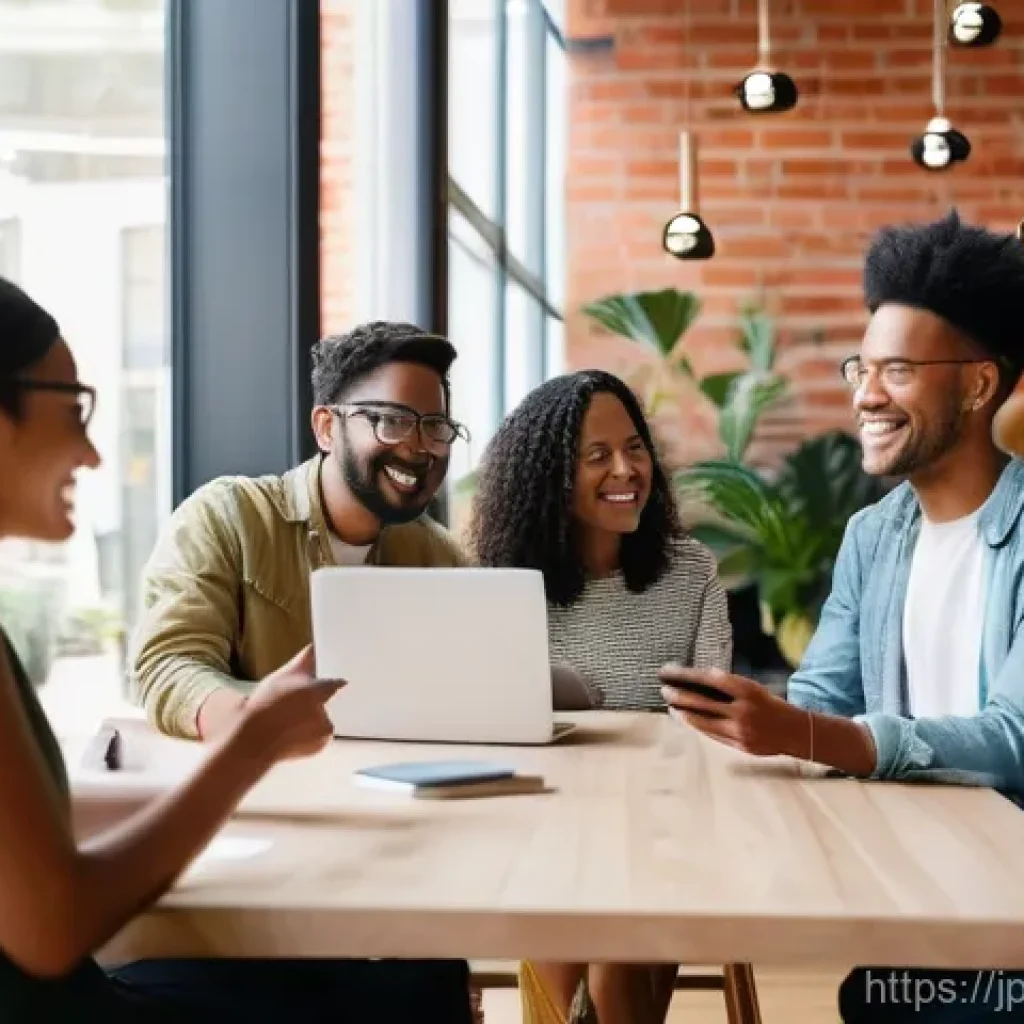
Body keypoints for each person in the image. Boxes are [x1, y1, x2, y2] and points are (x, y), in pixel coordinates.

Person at [0, 274, 406, 1021]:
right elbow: (52, 930)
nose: (91, 453)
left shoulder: (429, 550)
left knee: (405, 982)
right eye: (73, 409)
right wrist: (248, 747)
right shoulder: (230, 514)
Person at [659, 210, 1024, 1022]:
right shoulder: (875, 535)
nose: (864, 393)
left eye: (897, 370)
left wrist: (819, 737)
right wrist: (731, 720)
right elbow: (823, 695)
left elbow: (1014, 737)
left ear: (978, 383)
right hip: (914, 903)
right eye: (862, 365)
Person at [126, 320, 475, 1017]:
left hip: (381, 861)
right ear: (326, 426)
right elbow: (167, 667)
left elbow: (469, 697)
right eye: (392, 420)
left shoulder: (435, 555)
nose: (418, 446)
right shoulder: (227, 517)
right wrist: (261, 721)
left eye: (435, 426)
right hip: (241, 859)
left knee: (434, 982)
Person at [466, 369, 732, 1024]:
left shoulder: (691, 571)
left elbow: (715, 730)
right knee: (579, 887)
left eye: (634, 447)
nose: (625, 469)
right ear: (549, 477)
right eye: (597, 455)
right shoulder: (502, 587)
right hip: (541, 827)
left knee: (623, 912)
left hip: (666, 824)